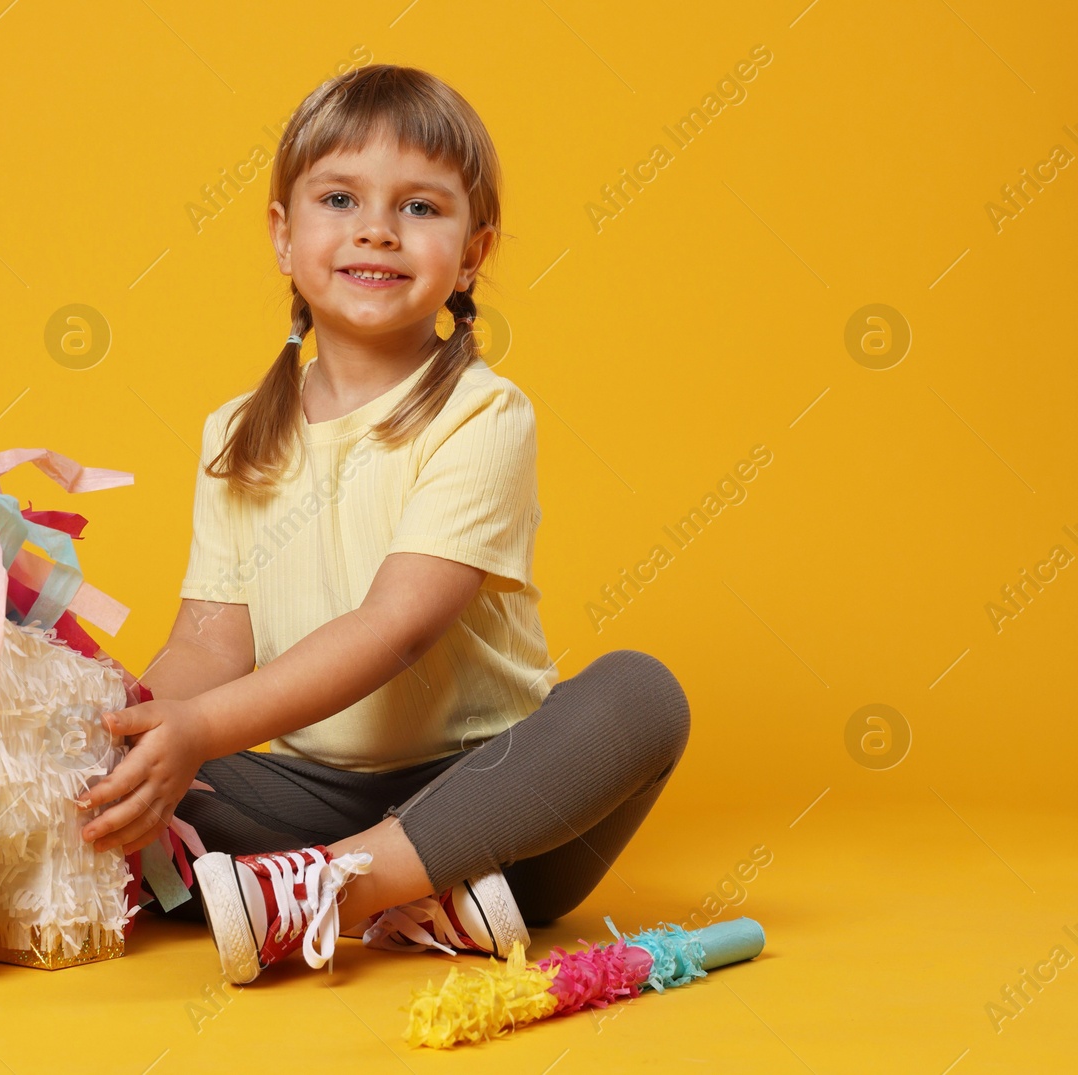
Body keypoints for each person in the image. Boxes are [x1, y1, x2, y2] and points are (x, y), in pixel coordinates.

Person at [74, 64, 690, 986]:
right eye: (338, 198)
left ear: (472, 254)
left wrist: (201, 728)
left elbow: (396, 628)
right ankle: (414, 902)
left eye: (420, 208)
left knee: (642, 695)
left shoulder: (483, 415)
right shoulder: (235, 435)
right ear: (283, 236)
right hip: (314, 796)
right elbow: (210, 639)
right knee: (120, 783)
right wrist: (133, 733)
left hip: (494, 796)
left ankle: (336, 891)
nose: (376, 229)